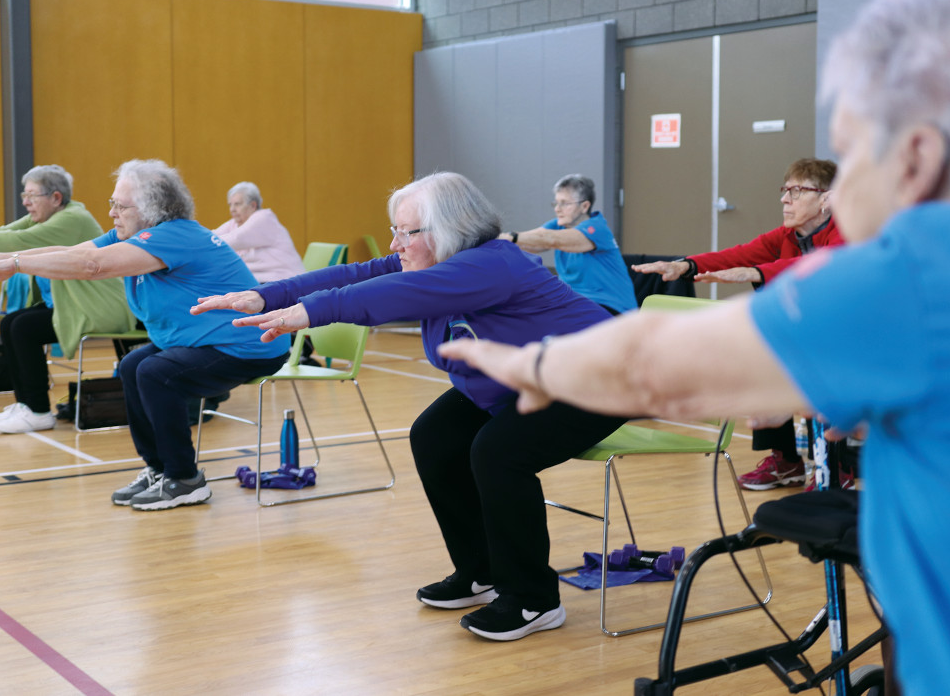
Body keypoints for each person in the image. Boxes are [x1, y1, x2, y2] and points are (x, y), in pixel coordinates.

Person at [439, 0, 950, 691]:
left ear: (918, 155)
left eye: (852, 151)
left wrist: (538, 363)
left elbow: (662, 362)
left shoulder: (910, 270)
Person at [193, 171, 626, 641]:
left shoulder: (491, 264)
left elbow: (388, 294)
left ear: (449, 230)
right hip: (521, 379)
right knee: (435, 437)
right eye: (395, 230)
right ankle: (480, 570)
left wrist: (309, 312)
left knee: (499, 453)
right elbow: (358, 273)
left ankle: (532, 599)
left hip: (594, 379)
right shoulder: (430, 262)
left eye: (406, 231)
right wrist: (267, 294)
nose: (395, 243)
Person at [0, 159, 290, 511]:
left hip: (249, 344)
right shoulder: (137, 235)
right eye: (112, 204)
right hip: (203, 341)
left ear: (153, 208)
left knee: (155, 372)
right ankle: (159, 470)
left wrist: (15, 264)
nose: (112, 213)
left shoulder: (174, 235)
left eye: (120, 206)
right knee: (133, 364)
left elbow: (93, 266)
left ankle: (184, 479)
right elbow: (79, 252)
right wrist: (9, 257)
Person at [633, 158, 844, 492]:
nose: (784, 199)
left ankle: (836, 469)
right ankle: (787, 461)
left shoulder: (848, 231)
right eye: (784, 190)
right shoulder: (787, 235)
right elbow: (740, 254)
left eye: (797, 191)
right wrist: (686, 266)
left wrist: (759, 273)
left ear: (826, 199)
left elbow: (824, 267)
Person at [0, 164, 134, 433]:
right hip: (66, 306)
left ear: (56, 198)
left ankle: (38, 411)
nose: (25, 202)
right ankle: (26, 404)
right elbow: (4, 231)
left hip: (97, 308)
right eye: (25, 195)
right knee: (11, 323)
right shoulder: (46, 217)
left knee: (23, 328)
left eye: (32, 195)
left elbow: (20, 241)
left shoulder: (73, 219)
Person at [503, 174, 637, 314]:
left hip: (610, 308)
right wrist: (495, 240)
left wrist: (509, 237)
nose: (557, 209)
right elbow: (531, 241)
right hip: (576, 304)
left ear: (584, 206)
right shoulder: (559, 225)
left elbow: (551, 239)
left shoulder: (597, 228)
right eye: (556, 203)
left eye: (564, 203)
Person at [213, 182, 305, 283]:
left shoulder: (264, 218)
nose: (232, 210)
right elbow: (212, 236)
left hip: (286, 282)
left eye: (237, 204)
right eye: (230, 205)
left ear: (253, 205)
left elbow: (234, 239)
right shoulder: (235, 223)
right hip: (263, 283)